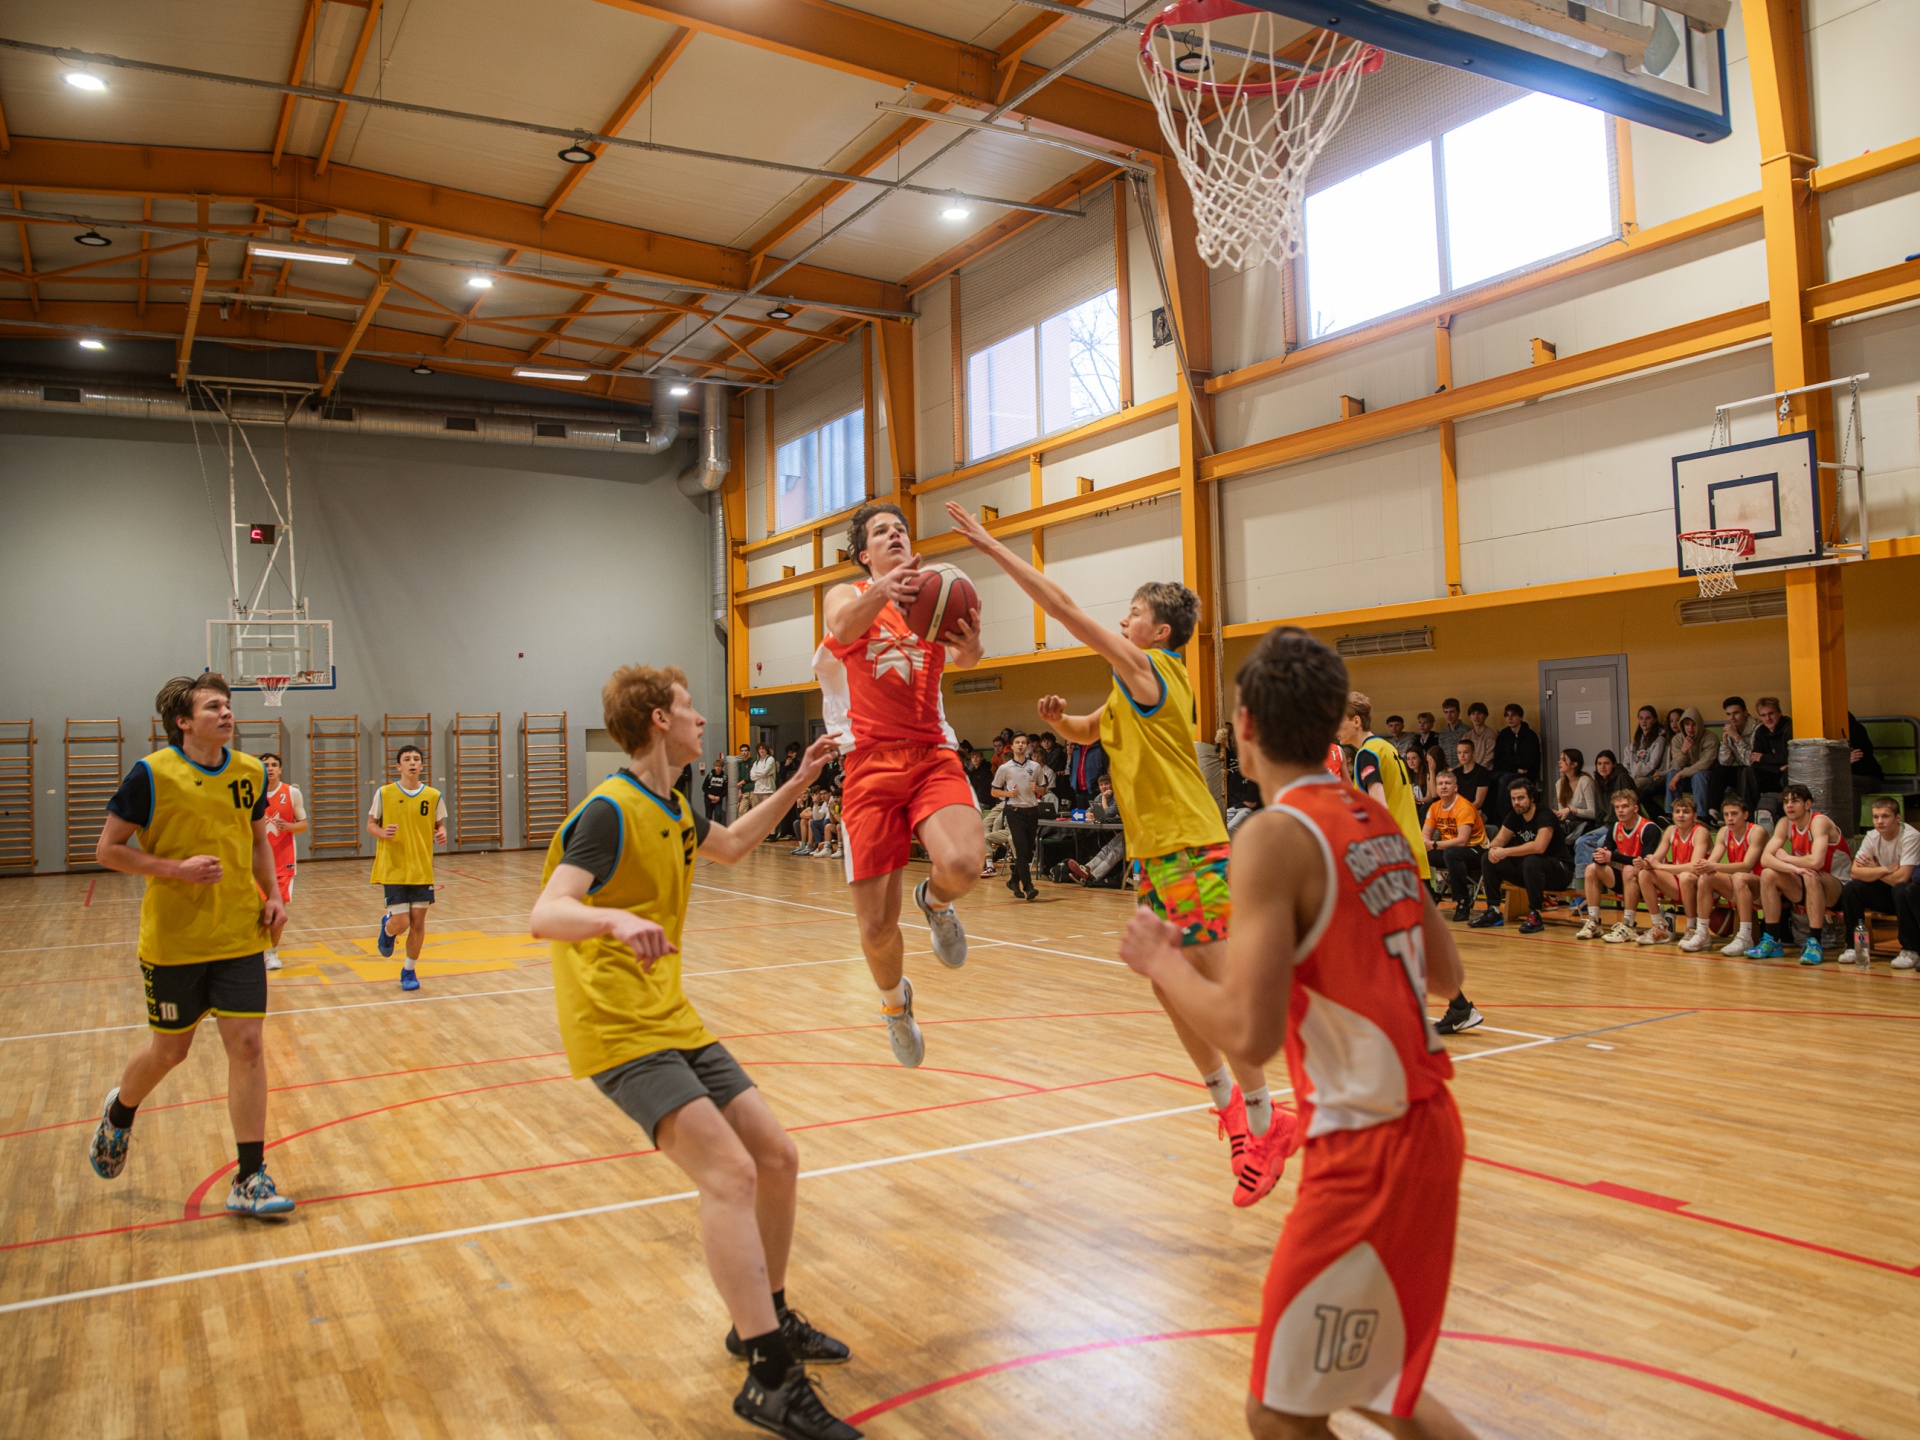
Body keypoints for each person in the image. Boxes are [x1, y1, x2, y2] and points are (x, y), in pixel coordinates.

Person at [1117, 626, 1477, 1440]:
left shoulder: (1273, 835)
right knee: (1373, 1384)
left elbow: (1250, 1036)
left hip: (1369, 1143)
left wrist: (1165, 962)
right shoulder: (1373, 815)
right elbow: (1446, 973)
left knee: (1279, 1414)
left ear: (1243, 727)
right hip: (1428, 1126)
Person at [528, 668, 859, 1440]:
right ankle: (770, 1378)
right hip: (616, 1023)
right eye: (687, 707)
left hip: (669, 1014)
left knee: (776, 1158)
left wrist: (798, 784)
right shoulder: (608, 812)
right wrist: (613, 921)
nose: (702, 718)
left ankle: (764, 1317)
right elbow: (546, 912)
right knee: (730, 1173)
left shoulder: (674, 804)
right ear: (657, 719)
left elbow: (734, 846)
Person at [947, 499, 1294, 1208]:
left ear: (1157, 630)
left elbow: (1066, 608)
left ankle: (1267, 1121)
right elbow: (1089, 732)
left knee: (1216, 988)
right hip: (1154, 855)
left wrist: (992, 545)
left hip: (1190, 846)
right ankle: (1231, 1109)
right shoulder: (1131, 689)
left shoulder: (1152, 668)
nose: (1123, 619)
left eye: (1132, 613)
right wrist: (1058, 722)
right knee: (1168, 985)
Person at [86, 673, 294, 1216]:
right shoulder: (151, 774)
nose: (226, 713)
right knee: (170, 1051)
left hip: (239, 934)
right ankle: (120, 1111)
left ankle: (250, 1178)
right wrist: (175, 869)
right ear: (182, 721)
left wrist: (274, 895)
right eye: (212, 707)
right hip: (174, 941)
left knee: (248, 1046)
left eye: (227, 705)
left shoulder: (250, 772)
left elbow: (257, 841)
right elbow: (108, 849)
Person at [815, 502, 985, 1069]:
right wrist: (884, 590)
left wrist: (971, 645)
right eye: (881, 532)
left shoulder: (932, 594)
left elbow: (967, 657)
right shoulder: (848, 594)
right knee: (876, 926)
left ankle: (935, 902)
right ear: (865, 554)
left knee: (964, 864)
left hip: (931, 752)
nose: (894, 535)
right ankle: (895, 1005)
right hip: (869, 765)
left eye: (901, 529)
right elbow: (842, 627)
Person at [1341, 694, 1483, 1036]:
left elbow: (1378, 806)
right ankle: (1456, 1007)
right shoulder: (1386, 748)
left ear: (1356, 721)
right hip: (1409, 854)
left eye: (1338, 720)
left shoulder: (1367, 754)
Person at [1745, 783, 1852, 965]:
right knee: (1768, 874)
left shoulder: (1819, 822)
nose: (1789, 805)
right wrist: (1794, 869)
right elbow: (1765, 859)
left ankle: (1815, 942)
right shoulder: (1785, 823)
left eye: (1794, 801)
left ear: (1808, 804)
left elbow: (1816, 862)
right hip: (1808, 884)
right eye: (1786, 802)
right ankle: (1773, 939)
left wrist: (1788, 859)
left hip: (1839, 889)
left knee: (1811, 873)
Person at [368, 743, 446, 992]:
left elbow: (439, 824)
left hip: (421, 868)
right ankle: (388, 928)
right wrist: (382, 832)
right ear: (398, 766)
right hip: (394, 866)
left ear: (422, 765)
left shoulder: (433, 795)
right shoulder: (384, 793)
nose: (412, 762)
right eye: (407, 759)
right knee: (401, 922)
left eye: (416, 759)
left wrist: (441, 832)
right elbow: (370, 824)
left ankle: (409, 970)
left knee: (418, 922)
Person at [1471, 780, 1572, 936]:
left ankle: (1535, 914)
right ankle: (1494, 911)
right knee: (1488, 858)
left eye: (1521, 798)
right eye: (1513, 799)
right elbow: (1500, 839)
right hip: (1529, 872)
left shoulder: (1545, 815)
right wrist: (1493, 850)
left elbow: (1539, 847)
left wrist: (1506, 852)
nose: (1516, 803)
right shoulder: (1514, 815)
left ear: (1531, 798)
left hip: (1558, 872)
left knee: (1532, 860)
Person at [1837, 797, 1918, 968]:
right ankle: (1855, 947)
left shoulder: (1910, 836)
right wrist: (1884, 869)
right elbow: (1855, 872)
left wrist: (1873, 869)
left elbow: (1902, 877)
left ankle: (1910, 950)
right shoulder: (1872, 836)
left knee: (1900, 889)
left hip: (1911, 896)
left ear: (1897, 818)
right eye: (1876, 817)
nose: (1879, 821)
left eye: (1885, 816)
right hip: (1888, 891)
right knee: (1852, 889)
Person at [1575, 789, 1662, 943]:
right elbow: (1606, 852)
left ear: (1635, 808)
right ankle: (1594, 922)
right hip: (1627, 879)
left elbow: (1643, 862)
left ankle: (1628, 925)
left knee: (1630, 869)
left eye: (1625, 806)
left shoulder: (1650, 828)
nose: (1620, 810)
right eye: (1617, 807)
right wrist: (1600, 856)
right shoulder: (1615, 827)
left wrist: (1612, 856)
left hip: (1649, 881)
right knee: (1591, 869)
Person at [1636, 795, 1711, 949]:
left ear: (1694, 816)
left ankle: (1691, 928)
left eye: (1686, 812)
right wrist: (1646, 863)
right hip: (1681, 883)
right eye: (1677, 811)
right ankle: (1660, 926)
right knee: (1644, 874)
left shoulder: (1701, 832)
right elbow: (1656, 858)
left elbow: (1694, 867)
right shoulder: (1671, 830)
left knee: (1685, 876)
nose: (1681, 815)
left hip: (1703, 887)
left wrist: (1660, 867)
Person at [258, 751, 307, 972]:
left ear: (280, 769)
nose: (269, 768)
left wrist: (289, 826)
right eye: (265, 765)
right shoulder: (251, 793)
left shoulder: (292, 793)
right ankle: (255, 952)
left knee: (277, 912)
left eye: (273, 765)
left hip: (283, 862)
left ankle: (271, 953)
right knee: (257, 912)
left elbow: (303, 825)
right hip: (256, 864)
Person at [1703, 794, 1768, 957]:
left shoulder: (1756, 831)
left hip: (1763, 887)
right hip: (1740, 886)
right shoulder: (1723, 832)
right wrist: (1703, 866)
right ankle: (1701, 932)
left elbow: (1747, 865)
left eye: (1734, 814)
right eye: (1726, 815)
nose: (1729, 818)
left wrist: (1713, 866)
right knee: (1706, 877)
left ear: (1745, 815)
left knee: (1739, 876)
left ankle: (1745, 936)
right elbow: (1711, 862)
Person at [1422, 767, 1486, 921]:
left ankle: (1463, 901)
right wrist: (1424, 844)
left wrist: (1434, 845)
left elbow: (1462, 841)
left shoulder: (1464, 807)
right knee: (1417, 852)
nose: (1443, 786)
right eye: (1440, 783)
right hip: (1449, 850)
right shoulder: (1435, 807)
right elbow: (1425, 835)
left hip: (1476, 850)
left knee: (1452, 853)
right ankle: (1431, 895)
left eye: (1447, 783)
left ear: (1455, 788)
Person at [991, 734, 1050, 899]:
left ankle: (1013, 879)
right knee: (1021, 849)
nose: (1021, 745)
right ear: (1012, 746)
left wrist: (1037, 789)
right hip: (1014, 811)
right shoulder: (1005, 768)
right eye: (1017, 742)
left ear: (1027, 746)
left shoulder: (1035, 766)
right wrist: (1008, 794)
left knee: (1028, 851)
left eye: (1023, 743)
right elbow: (994, 791)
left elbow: (1043, 789)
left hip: (1032, 810)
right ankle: (1028, 886)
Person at [1708, 697, 1754, 820]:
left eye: (1736, 713)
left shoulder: (1757, 728)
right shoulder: (1731, 729)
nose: (1732, 718)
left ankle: (1745, 815)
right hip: (1741, 769)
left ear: (1745, 712)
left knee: (1744, 771)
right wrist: (1725, 741)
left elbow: (1750, 761)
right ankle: (1712, 814)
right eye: (1728, 714)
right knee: (1718, 769)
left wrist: (1738, 738)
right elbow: (1725, 762)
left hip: (1755, 771)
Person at [1745, 697, 1791, 810]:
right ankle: (1748, 812)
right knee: (1748, 771)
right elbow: (1754, 760)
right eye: (1763, 715)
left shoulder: (1789, 728)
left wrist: (1763, 758)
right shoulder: (1761, 731)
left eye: (1771, 714)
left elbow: (1788, 757)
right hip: (1774, 771)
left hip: (1787, 771)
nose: (1767, 718)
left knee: (1788, 773)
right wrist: (1777, 768)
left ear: (1779, 713)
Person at [1623, 706, 1669, 817]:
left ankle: (1635, 816)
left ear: (1654, 720)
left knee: (1632, 786)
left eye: (1648, 718)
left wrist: (1634, 774)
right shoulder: (1635, 742)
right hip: (1633, 776)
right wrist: (1629, 775)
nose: (1644, 721)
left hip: (1649, 777)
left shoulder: (1659, 740)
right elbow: (1626, 762)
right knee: (1622, 784)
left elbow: (1652, 764)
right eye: (1641, 718)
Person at [1666, 707, 1712, 817]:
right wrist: (1684, 751)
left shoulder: (1710, 737)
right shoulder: (1677, 739)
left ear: (1699, 725)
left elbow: (1705, 764)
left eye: (1693, 724)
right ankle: (1671, 814)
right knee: (1672, 774)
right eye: (1687, 724)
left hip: (1706, 775)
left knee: (1698, 775)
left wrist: (1680, 774)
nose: (1690, 728)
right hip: (1686, 776)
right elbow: (1676, 766)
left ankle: (1700, 815)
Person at [1490, 704, 1542, 801]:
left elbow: (1527, 761)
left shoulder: (1529, 735)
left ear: (1521, 717)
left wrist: (1515, 766)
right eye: (1507, 715)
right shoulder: (1503, 735)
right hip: (1509, 770)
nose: (1509, 718)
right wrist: (1515, 768)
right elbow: (1499, 758)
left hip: (1527, 773)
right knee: (1489, 778)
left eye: (1513, 715)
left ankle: (1504, 811)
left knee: (1504, 780)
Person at [1551, 748, 1600, 840]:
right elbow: (1562, 812)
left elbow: (1593, 813)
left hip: (1585, 824)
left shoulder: (1585, 781)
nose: (1559, 762)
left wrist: (1572, 810)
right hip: (1568, 824)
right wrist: (1558, 814)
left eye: (1563, 760)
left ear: (1574, 764)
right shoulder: (1560, 783)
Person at [1450, 737, 1493, 817]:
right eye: (1459, 753)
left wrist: (1463, 812)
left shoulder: (1482, 772)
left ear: (1473, 753)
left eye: (1466, 752)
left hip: (1477, 811)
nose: (1462, 756)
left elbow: (1478, 802)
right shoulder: (1455, 773)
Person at [1407, 712, 1444, 793]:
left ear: (1431, 725)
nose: (1422, 725)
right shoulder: (1415, 740)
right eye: (1420, 722)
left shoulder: (1436, 738)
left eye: (1425, 723)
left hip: (1433, 768)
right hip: (1420, 770)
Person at [1435, 699, 1469, 769]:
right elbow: (1441, 755)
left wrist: (1456, 769)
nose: (1449, 715)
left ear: (1458, 712)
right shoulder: (1442, 734)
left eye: (1452, 712)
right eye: (1446, 712)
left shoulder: (1466, 731)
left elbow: (1468, 753)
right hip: (1446, 770)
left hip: (1463, 769)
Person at [1463, 702, 1497, 769]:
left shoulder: (1491, 734)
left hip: (1485, 770)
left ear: (1486, 716)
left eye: (1479, 713)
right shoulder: (1466, 736)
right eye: (1473, 714)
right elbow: (1463, 755)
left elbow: (1489, 757)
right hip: (1469, 770)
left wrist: (1476, 771)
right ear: (1470, 717)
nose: (1476, 716)